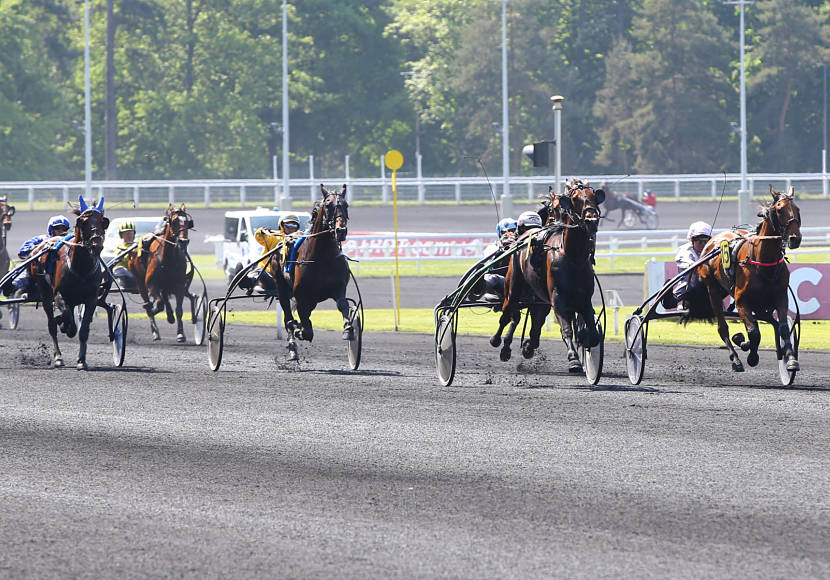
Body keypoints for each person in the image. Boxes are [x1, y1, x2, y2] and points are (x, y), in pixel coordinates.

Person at [2, 215, 71, 297]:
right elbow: (22, 252)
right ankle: (12, 286)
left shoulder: (69, 243)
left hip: (63, 275)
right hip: (37, 273)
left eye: (64, 229)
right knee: (24, 277)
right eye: (58, 228)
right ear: (51, 229)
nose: (61, 231)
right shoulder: (42, 239)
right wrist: (37, 248)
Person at [239, 214, 302, 292]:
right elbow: (258, 236)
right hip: (267, 270)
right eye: (288, 225)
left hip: (288, 274)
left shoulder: (300, 239)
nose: (291, 228)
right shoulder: (273, 237)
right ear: (282, 225)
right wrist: (262, 230)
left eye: (294, 225)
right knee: (259, 273)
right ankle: (245, 281)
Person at [662, 220, 712, 309]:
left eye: (705, 241)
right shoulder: (685, 251)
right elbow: (687, 264)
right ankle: (669, 297)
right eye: (699, 241)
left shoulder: (712, 250)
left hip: (709, 285)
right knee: (669, 304)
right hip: (689, 286)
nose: (703, 244)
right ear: (692, 240)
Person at [112, 222, 138, 290]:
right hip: (124, 276)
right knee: (118, 269)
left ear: (134, 234)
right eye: (126, 233)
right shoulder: (119, 248)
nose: (129, 235)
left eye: (131, 233)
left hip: (137, 276)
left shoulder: (139, 246)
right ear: (121, 235)